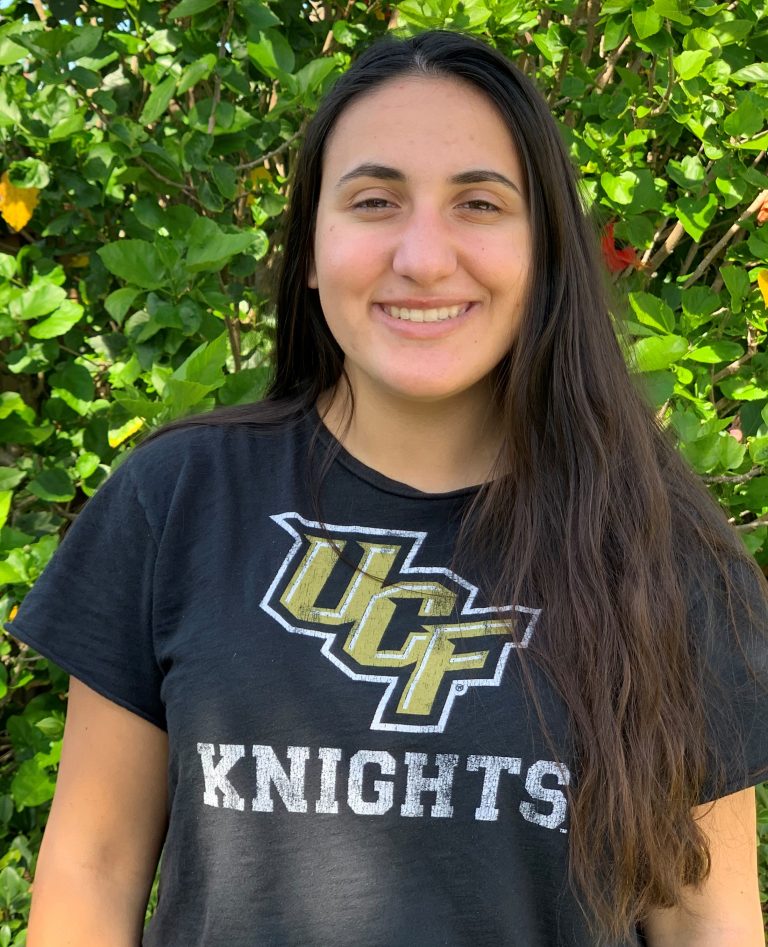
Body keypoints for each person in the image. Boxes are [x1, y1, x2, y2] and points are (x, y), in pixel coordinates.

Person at [7, 29, 768, 947]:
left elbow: (708, 921)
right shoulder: (177, 501)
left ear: (546, 252)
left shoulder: (664, 551)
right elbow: (93, 868)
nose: (423, 256)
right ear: (314, 249)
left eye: (479, 204)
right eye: (374, 200)